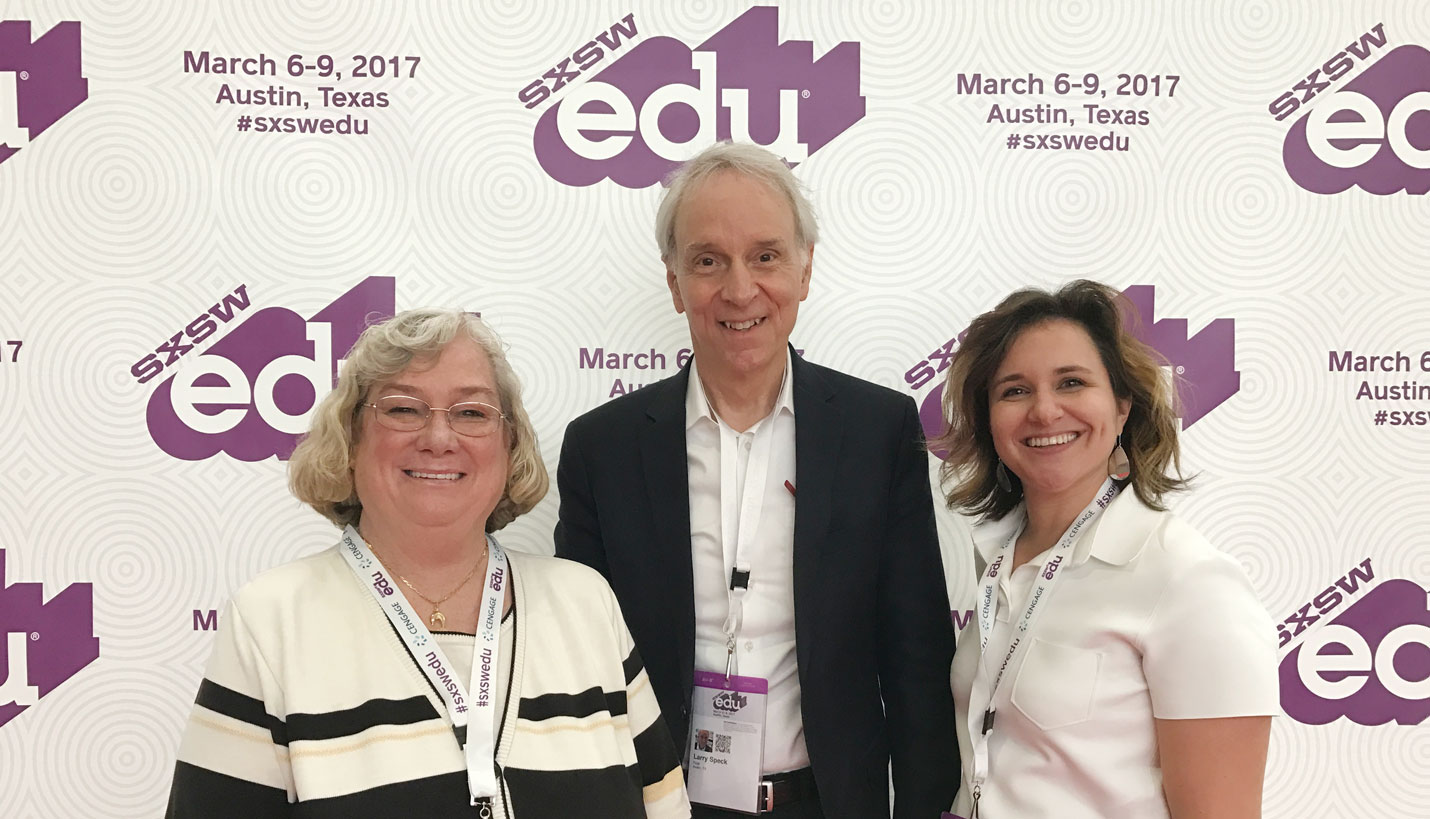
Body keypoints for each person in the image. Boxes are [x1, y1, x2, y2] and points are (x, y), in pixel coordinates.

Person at [555, 142, 958, 818]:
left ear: (805, 268)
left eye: (765, 256)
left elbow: (915, 655)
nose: (740, 289)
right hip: (656, 801)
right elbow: (581, 663)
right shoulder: (604, 447)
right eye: (708, 260)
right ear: (674, 280)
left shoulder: (877, 430)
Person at [167, 309, 689, 818]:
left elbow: (664, 805)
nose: (439, 438)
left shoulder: (585, 602)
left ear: (509, 446)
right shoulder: (272, 621)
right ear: (349, 440)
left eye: (471, 413)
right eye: (402, 409)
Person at [935, 281, 1277, 819]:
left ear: (1122, 408)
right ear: (990, 420)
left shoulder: (1189, 581)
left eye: (1072, 382)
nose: (1045, 411)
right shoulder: (1000, 558)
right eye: (1014, 390)